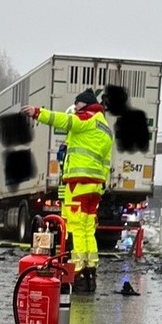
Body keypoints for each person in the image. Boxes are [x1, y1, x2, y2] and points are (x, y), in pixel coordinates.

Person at [22, 89, 112, 292]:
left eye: (78, 104)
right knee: (89, 228)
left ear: (85, 105)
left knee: (77, 226)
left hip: (79, 183)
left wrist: (38, 112)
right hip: (95, 185)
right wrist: (102, 182)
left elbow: (62, 121)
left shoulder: (85, 120)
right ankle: (91, 266)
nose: (76, 108)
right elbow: (106, 161)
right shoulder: (105, 127)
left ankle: (78, 269)